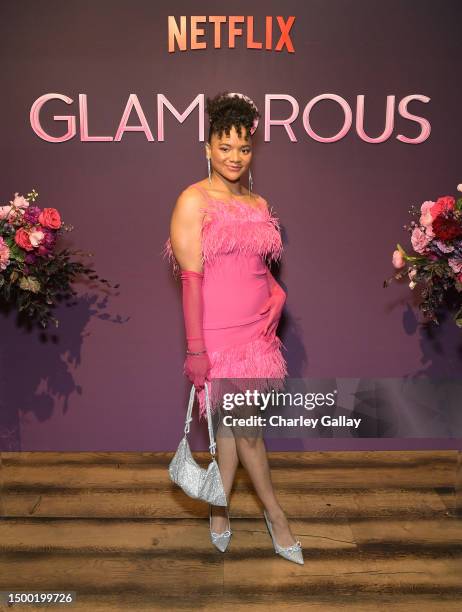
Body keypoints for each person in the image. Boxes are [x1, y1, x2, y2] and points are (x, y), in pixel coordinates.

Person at [163, 91, 303, 565]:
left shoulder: (259, 201)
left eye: (244, 148)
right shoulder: (193, 200)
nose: (235, 157)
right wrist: (197, 349)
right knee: (246, 432)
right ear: (207, 147)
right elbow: (191, 280)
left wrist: (277, 292)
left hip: (258, 334)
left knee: (231, 430)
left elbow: (258, 264)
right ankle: (276, 516)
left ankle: (218, 510)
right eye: (225, 147)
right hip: (218, 336)